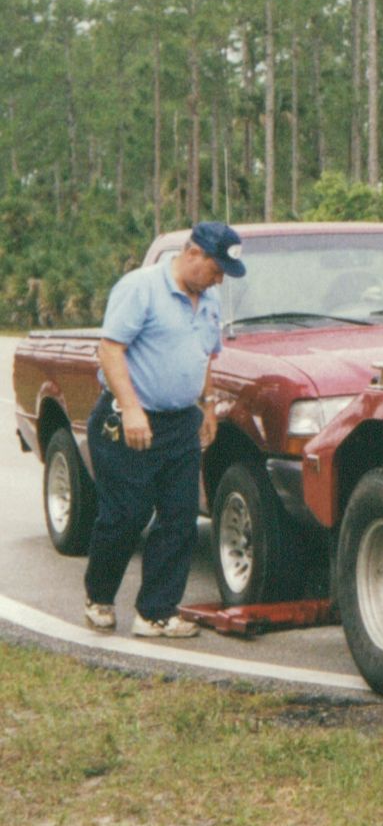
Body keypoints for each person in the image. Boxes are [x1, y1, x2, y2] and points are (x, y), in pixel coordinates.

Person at [81, 221, 246, 638]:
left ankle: (155, 611)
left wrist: (207, 406)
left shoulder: (207, 300)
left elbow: (205, 354)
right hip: (129, 419)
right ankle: (99, 597)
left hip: (180, 423)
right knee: (127, 514)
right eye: (216, 268)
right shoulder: (141, 288)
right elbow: (110, 349)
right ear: (193, 254)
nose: (220, 278)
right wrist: (133, 409)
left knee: (180, 517)